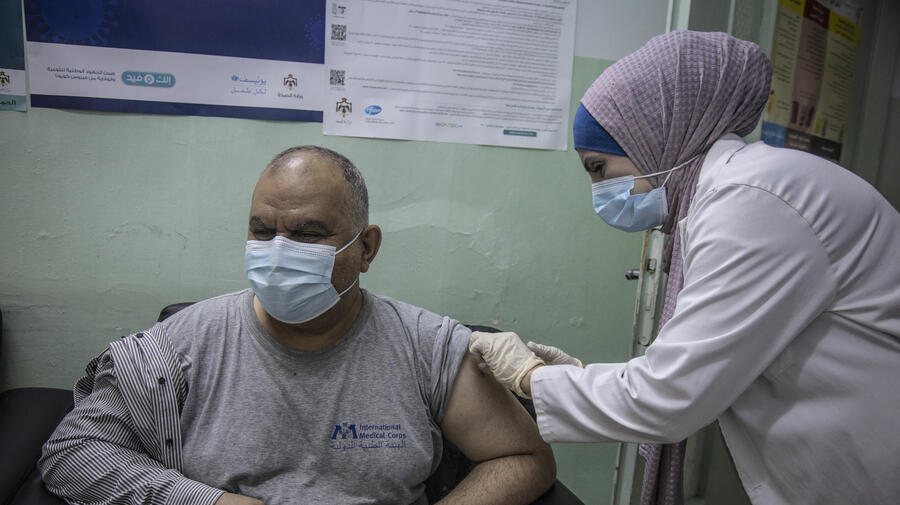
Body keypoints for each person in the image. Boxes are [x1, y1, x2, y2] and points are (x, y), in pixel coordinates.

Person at [469, 30, 900, 505]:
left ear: (656, 138)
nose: (597, 192)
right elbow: (691, 369)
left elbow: (670, 398)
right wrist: (579, 376)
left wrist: (528, 376)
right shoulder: (737, 196)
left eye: (599, 168)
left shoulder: (753, 202)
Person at [39, 146, 556, 505]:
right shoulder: (182, 347)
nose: (279, 252)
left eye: (308, 234)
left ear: (367, 248)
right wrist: (207, 501)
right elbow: (73, 452)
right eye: (262, 232)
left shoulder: (426, 347)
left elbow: (524, 458)